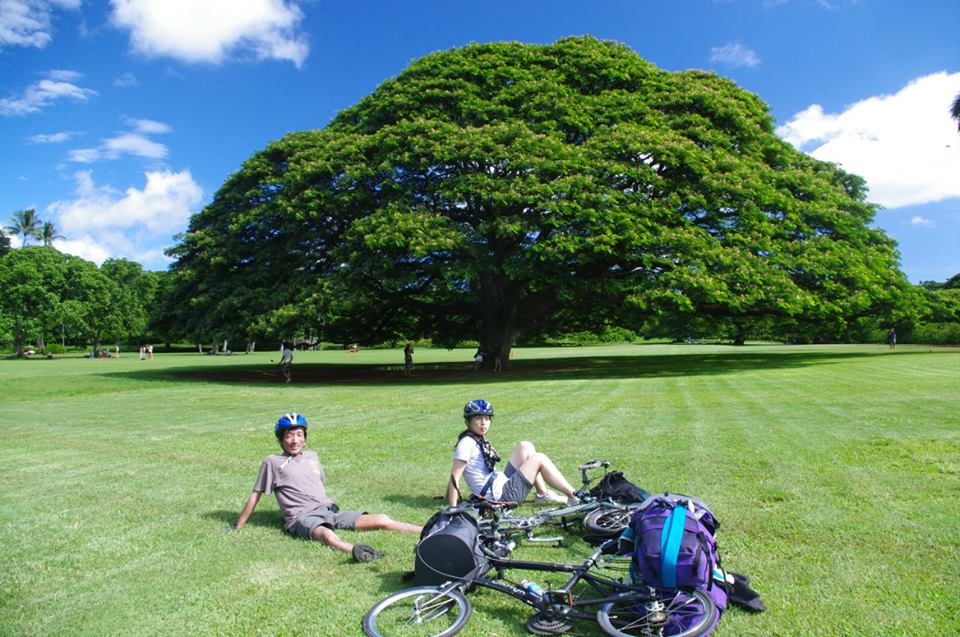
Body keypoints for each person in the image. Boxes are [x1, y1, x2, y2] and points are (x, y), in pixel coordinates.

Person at [233, 413, 422, 562]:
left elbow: (318, 484)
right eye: (289, 436)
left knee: (382, 519)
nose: (294, 440)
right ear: (281, 439)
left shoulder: (312, 456)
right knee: (327, 534)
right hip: (303, 517)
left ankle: (429, 530)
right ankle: (358, 551)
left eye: (299, 435)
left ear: (305, 438)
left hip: (329, 509)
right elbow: (255, 495)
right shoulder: (272, 462)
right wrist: (238, 527)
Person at [446, 399, 579, 507]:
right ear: (468, 422)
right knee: (539, 458)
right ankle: (574, 496)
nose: (483, 423)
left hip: (500, 484)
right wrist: (452, 509)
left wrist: (447, 495)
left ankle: (542, 495)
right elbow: (455, 477)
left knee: (525, 446)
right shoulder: (466, 443)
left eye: (487, 418)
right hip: (500, 497)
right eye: (478, 418)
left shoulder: (477, 438)